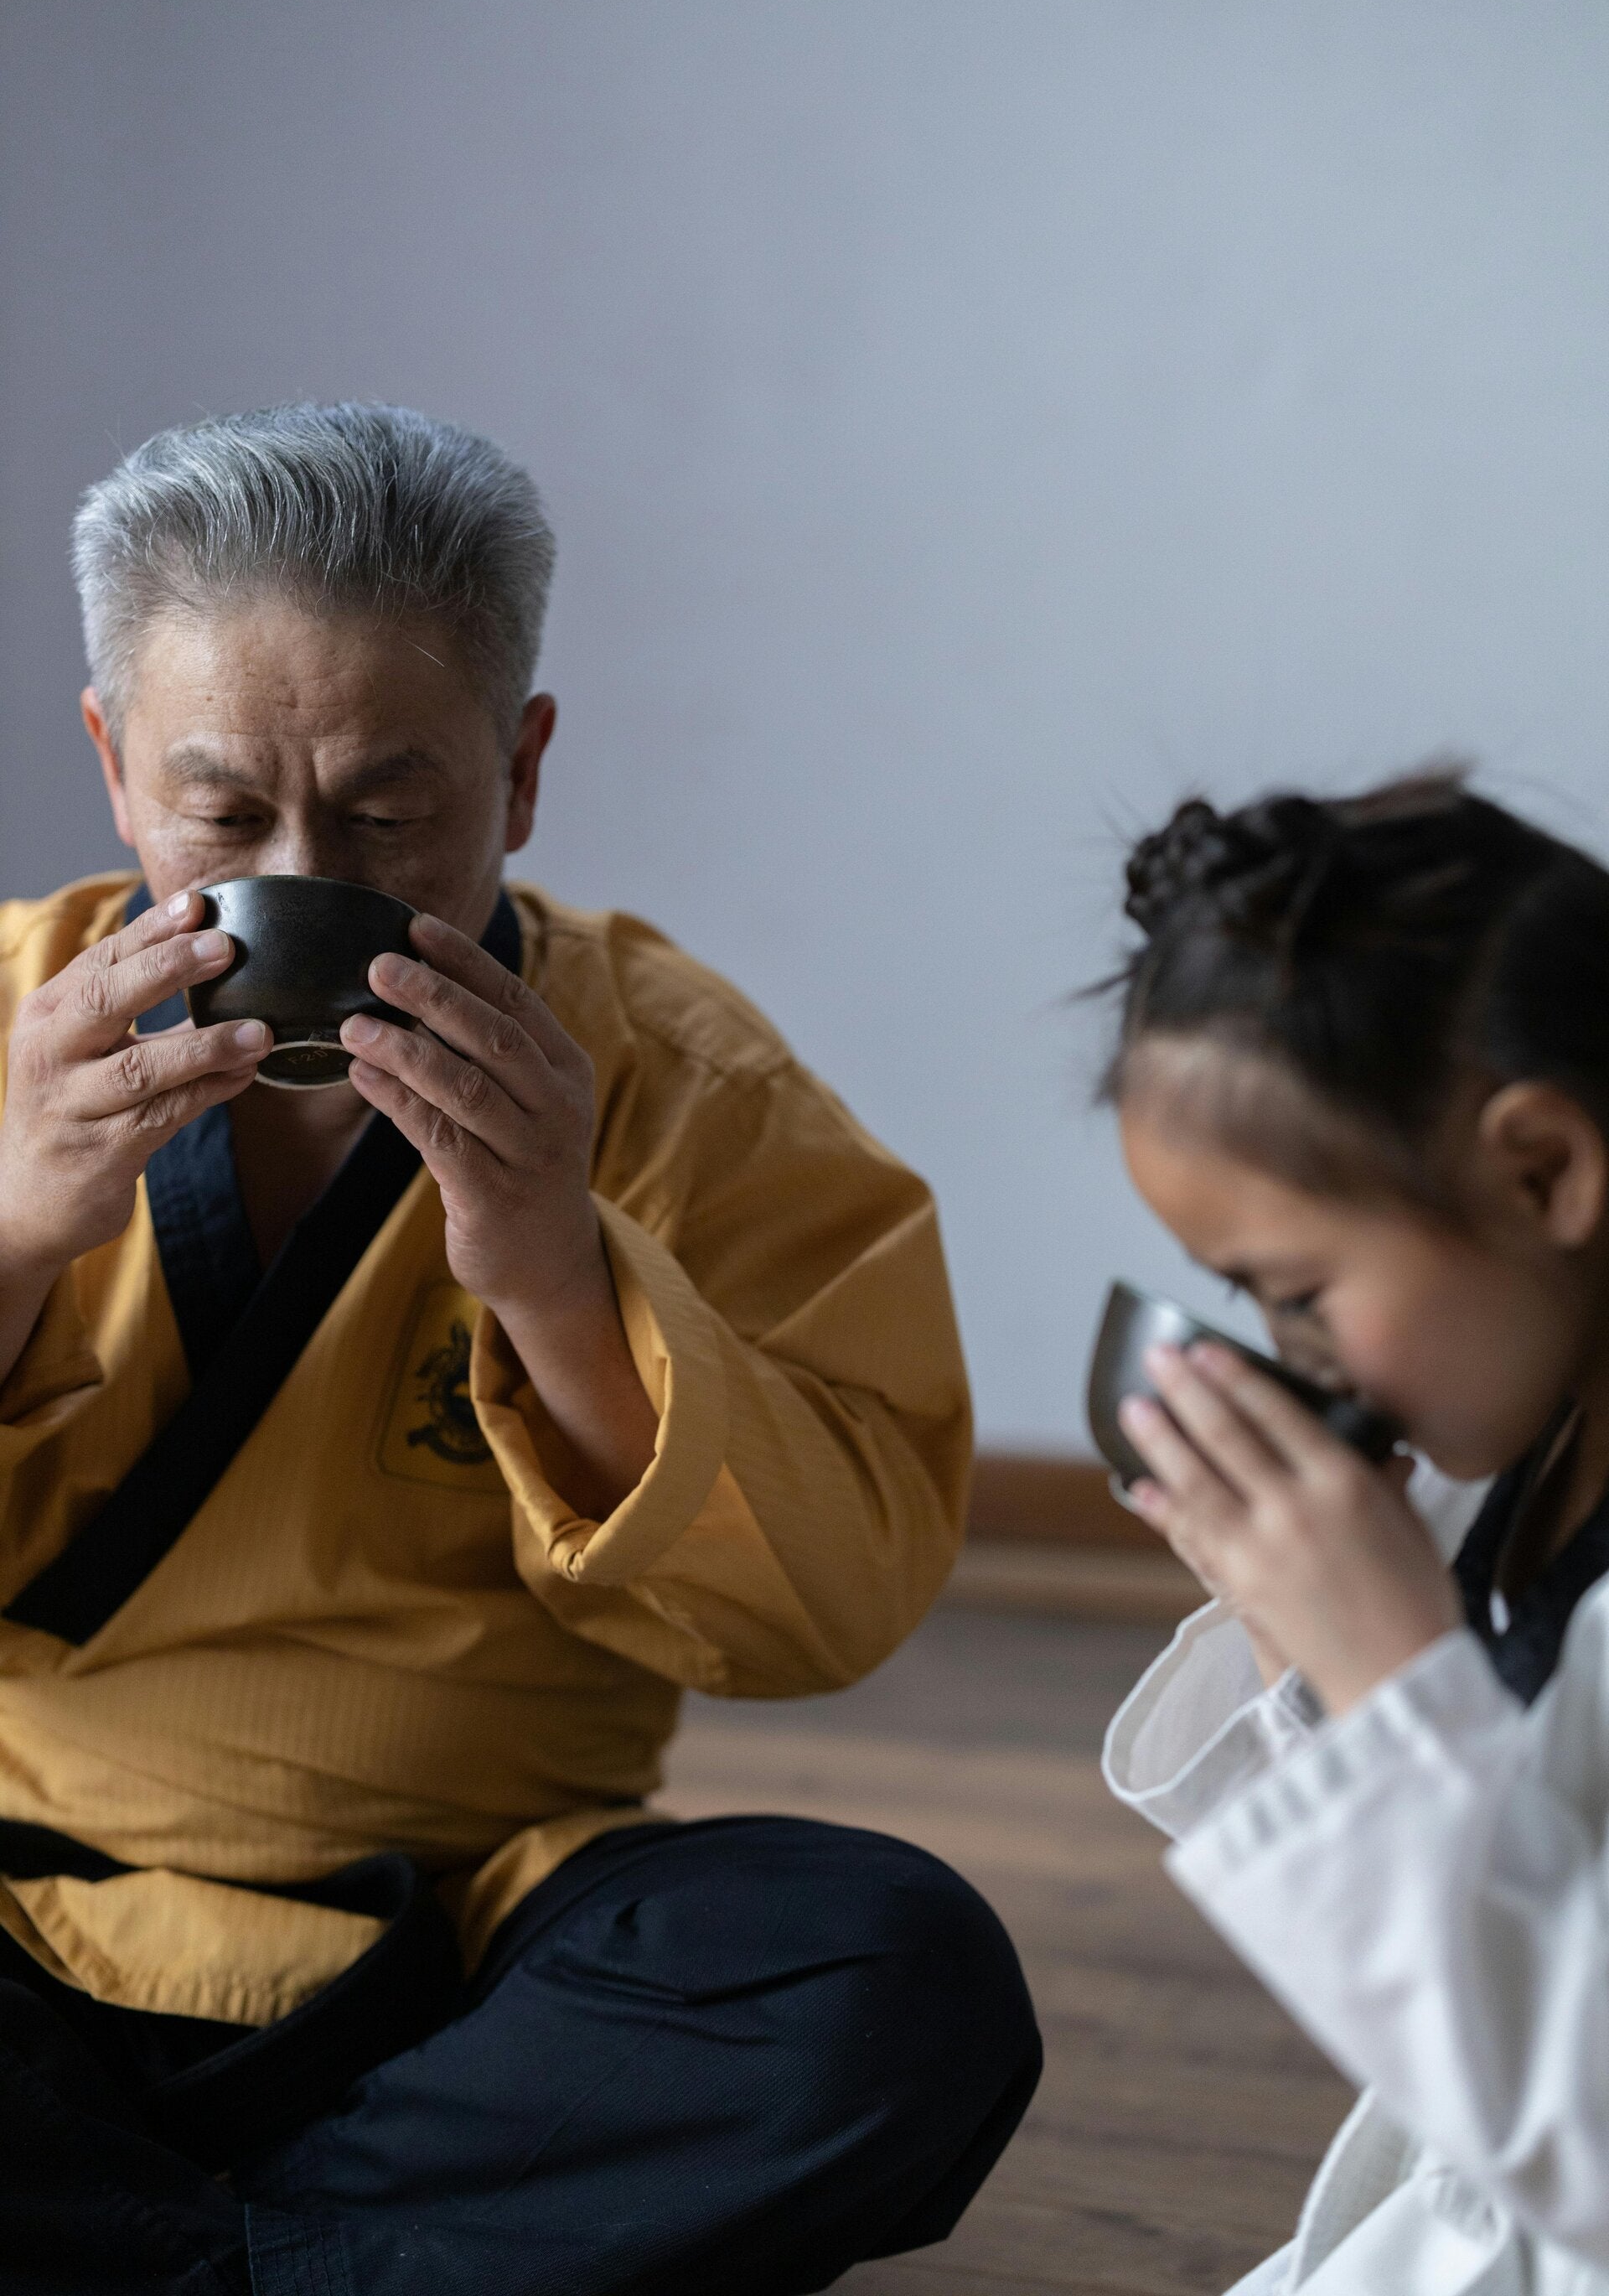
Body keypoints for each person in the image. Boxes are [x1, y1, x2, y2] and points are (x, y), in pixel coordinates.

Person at [0, 402, 1039, 2296]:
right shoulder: (9, 1026)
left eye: (388, 818)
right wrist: (13, 1239)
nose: (303, 875)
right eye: (223, 817)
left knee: (894, 1980)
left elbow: (838, 1604)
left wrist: (563, 1279)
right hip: (20, 1911)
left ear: (525, 771)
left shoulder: (684, 1084)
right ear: (113, 766)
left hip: (474, 1956)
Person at [1098, 771, 1609, 2296]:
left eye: (1300, 1294)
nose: (1290, 1356)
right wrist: (1303, 1649)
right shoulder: (1511, 1458)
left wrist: (1394, 1687)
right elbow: (1419, 1995)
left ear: (1546, 1170)